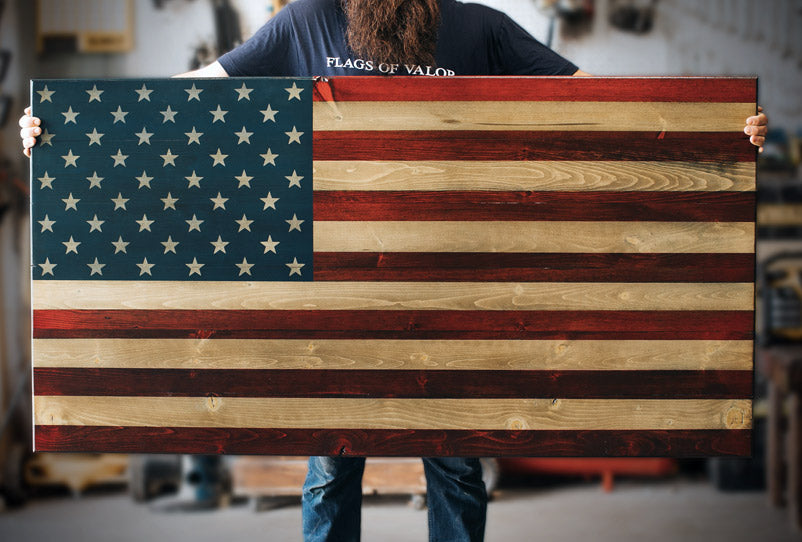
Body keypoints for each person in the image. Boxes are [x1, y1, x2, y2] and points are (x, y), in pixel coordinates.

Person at [18, 1, 768, 541]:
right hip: (335, 306)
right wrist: (67, 130)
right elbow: (197, 95)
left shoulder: (479, 26)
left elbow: (606, 100)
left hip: (452, 298)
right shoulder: (304, 23)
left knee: (456, 470)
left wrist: (722, 129)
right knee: (332, 470)